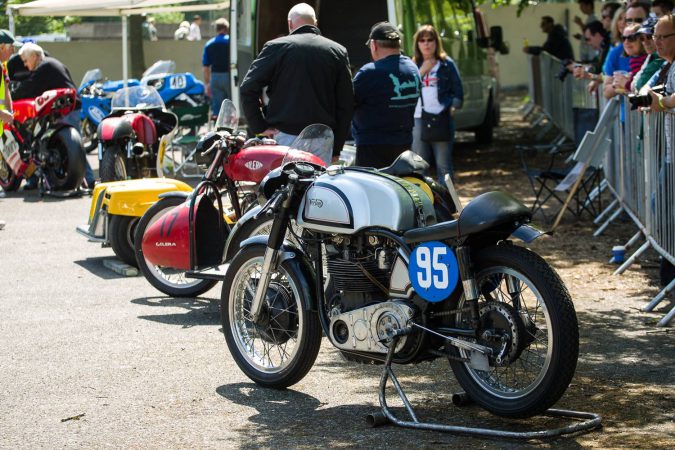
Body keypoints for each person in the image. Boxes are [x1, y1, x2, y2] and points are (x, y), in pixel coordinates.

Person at [239, 3, 353, 165]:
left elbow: (248, 88)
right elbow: (346, 104)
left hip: (284, 136)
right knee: (317, 188)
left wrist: (260, 127)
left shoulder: (275, 47)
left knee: (283, 187)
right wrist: (337, 148)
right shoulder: (337, 51)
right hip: (323, 139)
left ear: (290, 23)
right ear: (315, 23)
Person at [14, 43, 95, 189]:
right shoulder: (53, 63)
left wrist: (10, 97)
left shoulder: (44, 67)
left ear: (34, 56)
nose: (25, 65)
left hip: (65, 109)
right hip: (67, 108)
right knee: (67, 145)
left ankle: (88, 179)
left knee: (72, 146)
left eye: (26, 61)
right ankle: (41, 179)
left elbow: (28, 88)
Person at [352, 22, 420, 168]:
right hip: (404, 146)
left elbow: (346, 103)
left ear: (374, 45)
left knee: (371, 190)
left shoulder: (369, 73)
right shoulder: (413, 69)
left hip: (372, 148)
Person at [410, 25, 463, 183]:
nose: (426, 44)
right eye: (422, 40)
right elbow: (406, 89)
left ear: (436, 42)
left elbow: (458, 90)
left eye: (430, 40)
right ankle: (425, 204)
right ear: (417, 44)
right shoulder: (412, 65)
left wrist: (453, 106)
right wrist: (422, 71)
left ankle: (448, 205)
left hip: (441, 117)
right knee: (419, 165)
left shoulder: (446, 64)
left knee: (444, 166)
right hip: (418, 118)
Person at [604, 24, 648, 98]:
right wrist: (618, 84)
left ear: (642, 39)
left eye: (631, 38)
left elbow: (640, 88)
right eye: (623, 38)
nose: (626, 42)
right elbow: (606, 92)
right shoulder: (634, 60)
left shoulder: (648, 59)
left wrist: (626, 83)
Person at [0, 30, 19, 199]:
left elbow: (6, 91)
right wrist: (2, 113)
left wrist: (10, 112)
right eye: (11, 48)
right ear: (1, 47)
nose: (13, 52)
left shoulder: (2, 66)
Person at [202, 18, 230, 118]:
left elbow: (205, 67)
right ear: (226, 28)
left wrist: (207, 83)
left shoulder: (209, 44)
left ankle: (219, 130)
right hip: (230, 77)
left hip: (215, 77)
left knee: (217, 109)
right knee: (231, 106)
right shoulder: (231, 42)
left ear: (216, 29)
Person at [632, 17, 665, 91]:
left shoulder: (663, 57)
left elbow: (639, 85)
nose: (645, 42)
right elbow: (635, 84)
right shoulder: (651, 56)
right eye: (642, 38)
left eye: (649, 37)